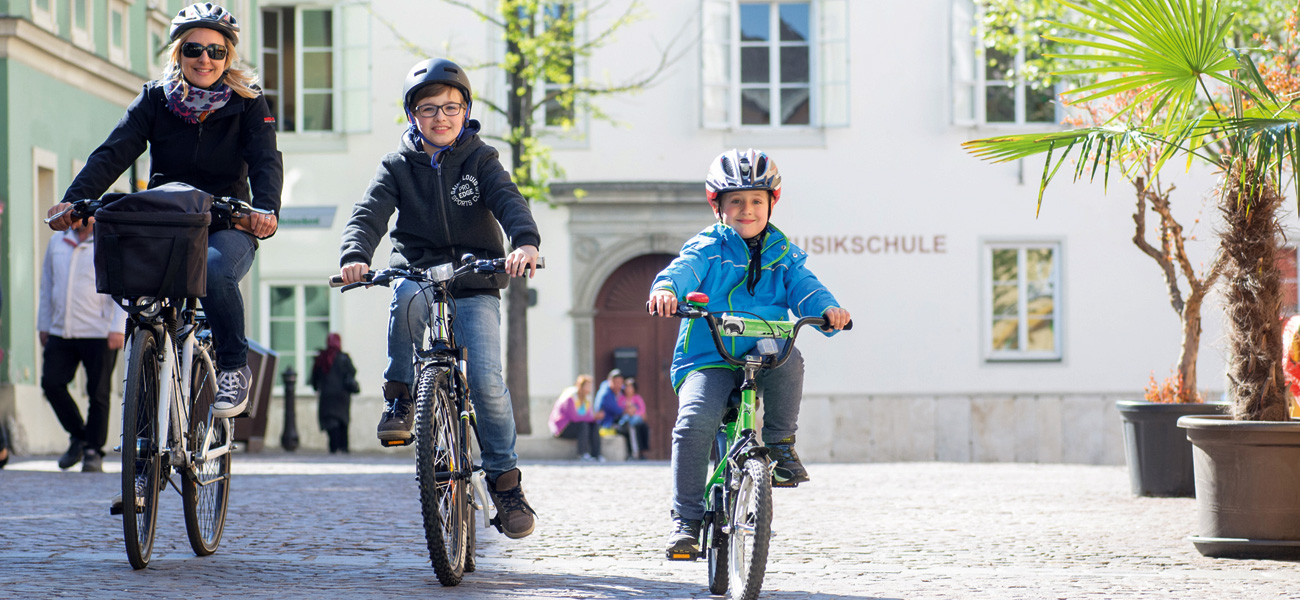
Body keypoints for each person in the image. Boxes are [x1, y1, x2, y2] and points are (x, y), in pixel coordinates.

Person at [47, 2, 282, 421]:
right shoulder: (155, 99)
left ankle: (232, 366)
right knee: (143, 309)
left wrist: (264, 210)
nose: (204, 59)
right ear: (178, 53)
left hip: (226, 222)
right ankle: (141, 441)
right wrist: (73, 199)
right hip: (167, 222)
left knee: (213, 270)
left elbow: (265, 160)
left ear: (229, 56)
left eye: (216, 51)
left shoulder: (248, 102)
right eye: (193, 49)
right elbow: (113, 152)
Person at [338, 57, 541, 539]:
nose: (441, 117)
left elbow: (509, 200)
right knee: (405, 299)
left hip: (477, 277)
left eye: (451, 107)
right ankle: (401, 397)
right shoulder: (395, 166)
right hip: (419, 268)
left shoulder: (481, 158)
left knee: (488, 381)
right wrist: (355, 253)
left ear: (465, 110)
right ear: (413, 116)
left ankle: (505, 483)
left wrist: (525, 242)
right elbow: (369, 214)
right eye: (428, 109)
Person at [647, 148, 851, 559]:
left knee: (792, 361)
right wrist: (666, 290)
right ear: (717, 206)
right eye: (735, 201)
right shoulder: (709, 246)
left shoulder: (783, 253)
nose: (747, 209)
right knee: (694, 422)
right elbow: (682, 270)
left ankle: (779, 444)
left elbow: (806, 287)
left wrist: (828, 310)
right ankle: (686, 520)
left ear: (771, 204)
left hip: (765, 351)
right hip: (710, 355)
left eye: (756, 200)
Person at [38, 216, 128, 472]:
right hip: (60, 330)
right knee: (52, 384)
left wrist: (117, 327)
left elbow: (120, 286)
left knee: (98, 393)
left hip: (99, 332)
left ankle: (93, 450)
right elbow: (47, 285)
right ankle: (79, 436)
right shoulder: (57, 242)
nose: (73, 217)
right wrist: (44, 324)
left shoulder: (107, 243)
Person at [310, 333, 359, 453]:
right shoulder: (344, 358)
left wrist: (317, 387)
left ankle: (334, 448)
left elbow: (314, 377)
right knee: (343, 422)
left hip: (327, 396)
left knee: (331, 423)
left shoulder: (322, 358)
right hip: (342, 396)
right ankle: (344, 448)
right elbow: (352, 371)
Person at [547, 374, 603, 460]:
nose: (589, 389)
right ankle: (582, 454)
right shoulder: (570, 398)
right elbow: (574, 417)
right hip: (562, 428)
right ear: (581, 386)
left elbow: (588, 416)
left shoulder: (586, 400)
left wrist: (594, 418)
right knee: (583, 425)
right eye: (587, 386)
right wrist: (593, 417)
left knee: (594, 425)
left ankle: (597, 455)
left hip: (576, 426)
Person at [616, 377, 651, 460]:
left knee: (640, 426)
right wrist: (627, 411)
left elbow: (642, 412)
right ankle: (633, 452)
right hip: (626, 421)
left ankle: (640, 452)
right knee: (629, 423)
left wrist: (634, 412)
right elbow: (619, 409)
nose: (628, 389)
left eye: (630, 387)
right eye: (627, 387)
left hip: (636, 421)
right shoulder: (622, 398)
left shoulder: (637, 398)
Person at [594, 368, 625, 432]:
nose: (619, 385)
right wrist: (626, 410)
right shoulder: (605, 393)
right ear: (610, 381)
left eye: (620, 383)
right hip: (605, 425)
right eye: (616, 383)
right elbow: (616, 410)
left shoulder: (618, 391)